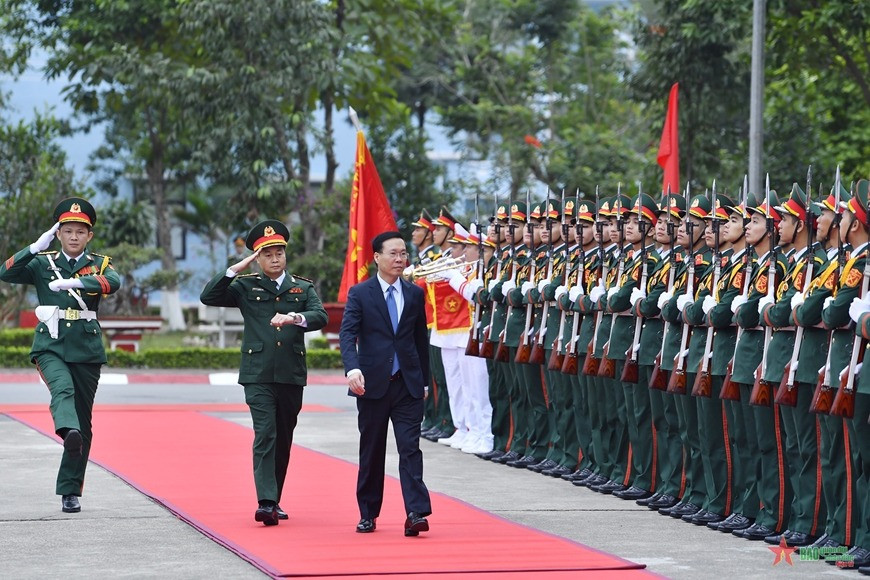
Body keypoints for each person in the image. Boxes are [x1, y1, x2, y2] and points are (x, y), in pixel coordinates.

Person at [200, 219, 327, 526]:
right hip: (257, 373)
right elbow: (210, 296)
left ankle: (275, 497)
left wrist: (296, 317)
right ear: (257, 257)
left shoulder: (302, 286)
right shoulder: (245, 287)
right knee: (265, 433)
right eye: (267, 253)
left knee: (283, 436)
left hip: (291, 373)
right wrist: (236, 269)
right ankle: (266, 502)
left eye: (279, 252)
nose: (274, 258)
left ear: (285, 254)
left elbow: (320, 315)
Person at [0, 197, 121, 513]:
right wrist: (33, 247)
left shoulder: (101, 263)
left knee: (84, 424)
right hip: (50, 345)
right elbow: (6, 273)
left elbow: (114, 282)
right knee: (62, 391)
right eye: (67, 231)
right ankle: (66, 430)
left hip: (86, 348)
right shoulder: (43, 262)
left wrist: (78, 281)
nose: (74, 236)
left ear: (89, 235)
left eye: (80, 231)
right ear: (58, 233)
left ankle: (70, 489)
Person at [339, 231, 432, 537]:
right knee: (372, 451)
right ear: (376, 257)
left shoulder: (415, 293)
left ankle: (416, 512)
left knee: (410, 449)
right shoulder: (360, 293)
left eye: (403, 253)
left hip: (407, 385)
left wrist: (425, 381)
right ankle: (368, 513)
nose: (399, 259)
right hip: (372, 385)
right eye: (393, 254)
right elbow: (347, 334)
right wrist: (352, 369)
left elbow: (421, 340)